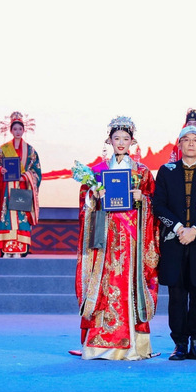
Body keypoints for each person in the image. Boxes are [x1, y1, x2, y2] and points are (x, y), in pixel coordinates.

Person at [75, 116, 159, 360]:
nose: (121, 142)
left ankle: (135, 344)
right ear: (109, 141)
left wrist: (143, 199)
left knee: (129, 285)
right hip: (105, 239)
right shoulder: (98, 172)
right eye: (116, 138)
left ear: (132, 141)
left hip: (132, 241)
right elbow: (85, 205)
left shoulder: (142, 172)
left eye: (125, 138)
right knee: (103, 285)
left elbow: (155, 203)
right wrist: (93, 195)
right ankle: (99, 344)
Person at [154, 125, 196, 361]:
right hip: (173, 241)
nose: (191, 143)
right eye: (186, 139)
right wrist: (178, 228)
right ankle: (180, 343)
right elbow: (159, 205)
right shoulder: (166, 171)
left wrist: (194, 229)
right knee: (176, 293)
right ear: (179, 145)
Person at [0, 112, 42, 258]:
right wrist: (0, 171)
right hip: (6, 189)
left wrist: (27, 177)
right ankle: (5, 248)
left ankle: (20, 248)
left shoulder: (30, 151)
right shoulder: (3, 149)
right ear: (11, 130)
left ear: (24, 130)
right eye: (15, 129)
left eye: (20, 129)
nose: (18, 131)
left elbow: (36, 171)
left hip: (22, 188)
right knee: (6, 217)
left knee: (21, 218)